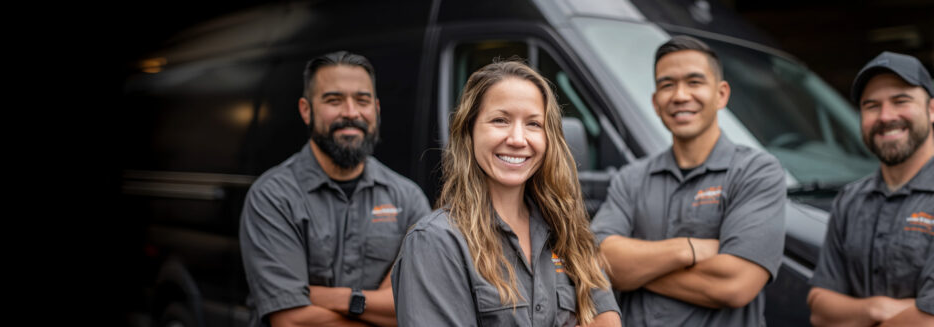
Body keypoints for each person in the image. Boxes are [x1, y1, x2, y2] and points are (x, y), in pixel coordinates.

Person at [391, 60, 621, 326]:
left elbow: (607, 319)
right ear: (469, 131)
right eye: (500, 120)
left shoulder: (567, 229)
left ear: (550, 139)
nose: (517, 139)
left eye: (534, 124)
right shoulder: (436, 241)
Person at [589, 35, 787, 326]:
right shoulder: (630, 179)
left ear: (721, 94)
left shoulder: (756, 171)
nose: (680, 95)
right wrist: (689, 248)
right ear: (656, 102)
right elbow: (596, 261)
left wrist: (634, 273)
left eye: (694, 82)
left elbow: (735, 285)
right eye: (667, 84)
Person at [239, 50, 431, 327]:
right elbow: (290, 321)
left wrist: (339, 299)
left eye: (362, 100)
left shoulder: (408, 198)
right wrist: (381, 312)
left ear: (376, 109)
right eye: (334, 100)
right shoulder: (273, 197)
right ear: (306, 110)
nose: (351, 113)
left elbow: (418, 306)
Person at [807, 51, 934, 326]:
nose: (886, 116)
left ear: (932, 109)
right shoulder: (850, 200)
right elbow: (820, 309)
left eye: (901, 101)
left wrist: (850, 313)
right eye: (871, 106)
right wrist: (875, 309)